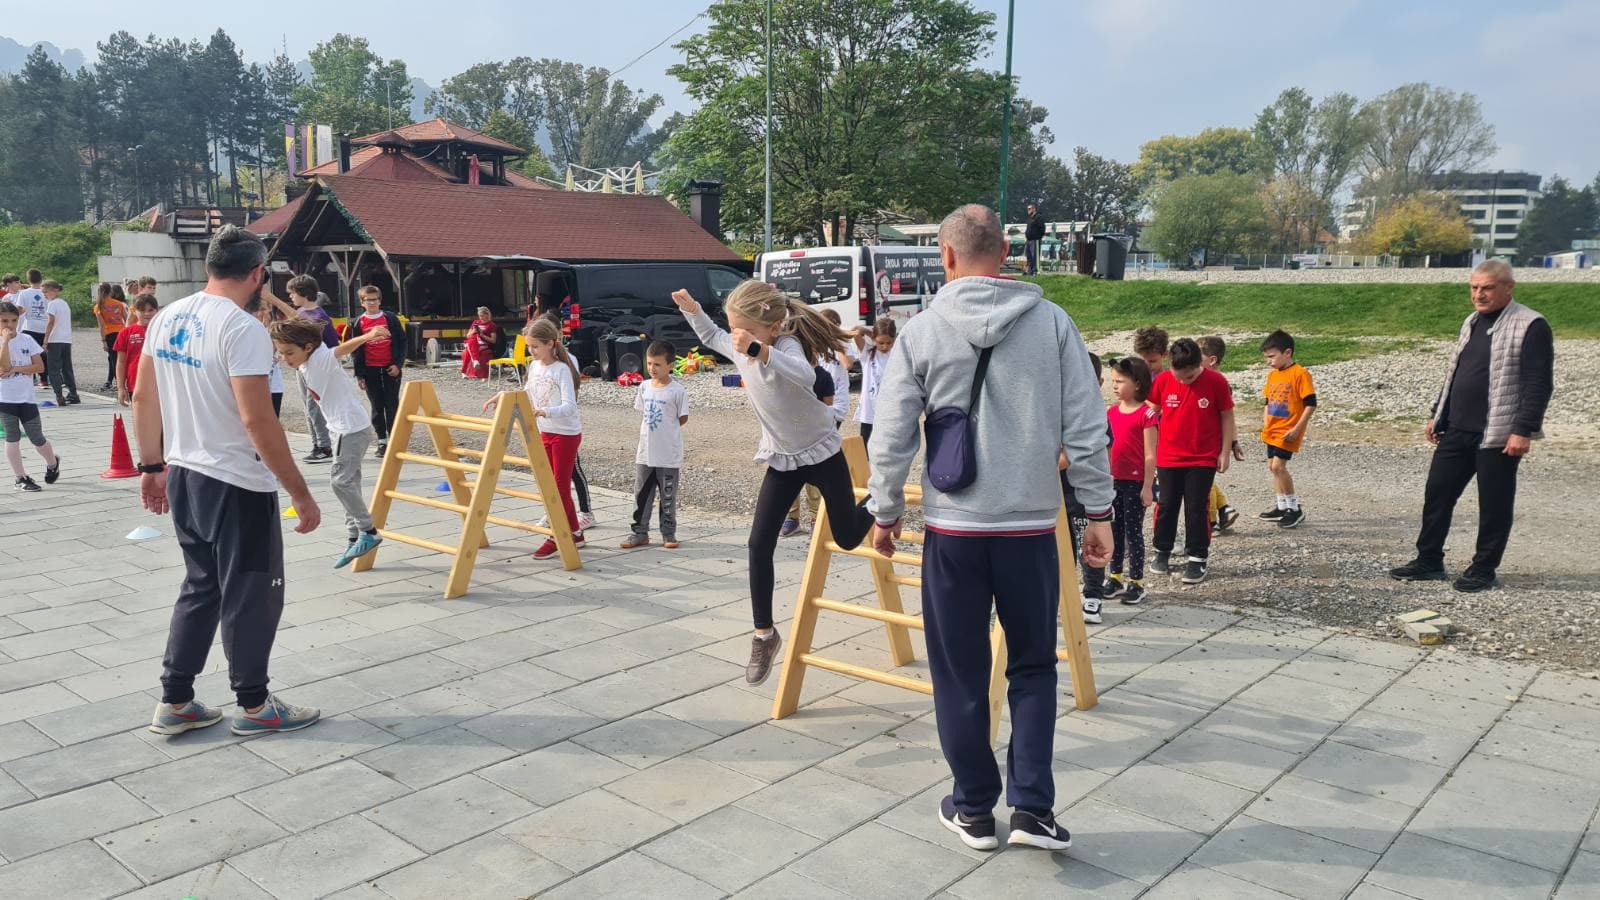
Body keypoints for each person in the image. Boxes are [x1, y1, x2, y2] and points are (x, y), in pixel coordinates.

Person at [868, 204, 1112, 854]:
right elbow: (1087, 427)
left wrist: (885, 512)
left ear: (945, 257)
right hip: (1030, 527)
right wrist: (1099, 513)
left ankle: (974, 808)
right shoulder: (1053, 323)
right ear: (1005, 253)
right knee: (1033, 665)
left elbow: (891, 433)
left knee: (959, 670)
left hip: (954, 531)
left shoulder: (922, 331)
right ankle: (1033, 809)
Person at [133, 225, 323, 738]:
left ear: (208, 267)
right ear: (258, 274)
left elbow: (144, 396)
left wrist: (151, 466)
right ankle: (255, 705)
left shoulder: (168, 315)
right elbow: (257, 420)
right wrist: (300, 491)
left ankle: (176, 699)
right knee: (252, 593)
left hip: (184, 473)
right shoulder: (241, 329)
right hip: (235, 481)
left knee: (201, 586)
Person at [672, 280, 874, 687]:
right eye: (735, 328)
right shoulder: (741, 344)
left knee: (848, 536)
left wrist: (759, 350)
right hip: (783, 459)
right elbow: (712, 336)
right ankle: (764, 635)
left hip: (822, 452)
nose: (737, 336)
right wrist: (692, 310)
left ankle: (881, 498)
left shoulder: (786, 346)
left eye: (746, 330)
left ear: (774, 328)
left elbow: (804, 374)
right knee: (758, 544)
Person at [1389, 260, 1553, 593]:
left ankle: (1484, 568)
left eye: (1487, 288)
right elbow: (1456, 372)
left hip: (1498, 433)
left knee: (1494, 504)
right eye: (1474, 287)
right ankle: (1429, 560)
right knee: (1438, 494)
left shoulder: (1531, 325)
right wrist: (1439, 414)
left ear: (1508, 287)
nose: (1479, 294)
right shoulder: (1472, 321)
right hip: (1458, 429)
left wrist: (1523, 429)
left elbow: (1538, 383)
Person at [271, 317, 390, 567]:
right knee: (350, 483)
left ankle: (368, 531)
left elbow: (341, 349)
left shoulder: (320, 358)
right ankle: (354, 536)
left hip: (350, 429)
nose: (285, 358)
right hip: (340, 430)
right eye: (281, 353)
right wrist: (271, 301)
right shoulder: (307, 359)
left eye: (289, 353)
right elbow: (299, 323)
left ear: (308, 347)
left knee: (340, 482)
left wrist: (369, 336)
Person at [484, 317, 585, 560]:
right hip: (545, 431)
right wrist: (503, 394)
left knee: (558, 488)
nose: (532, 350)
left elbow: (570, 406)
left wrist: (544, 411)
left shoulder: (561, 369)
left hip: (565, 434)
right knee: (552, 484)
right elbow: (527, 392)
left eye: (536, 346)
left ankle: (557, 535)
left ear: (551, 343)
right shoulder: (535, 366)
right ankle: (575, 532)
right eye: (529, 346)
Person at [1149, 338, 1235, 585]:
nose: (1184, 382)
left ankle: (1197, 557)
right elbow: (1152, 410)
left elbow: (1227, 416)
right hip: (1168, 456)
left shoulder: (1216, 382)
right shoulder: (1163, 380)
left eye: (1189, 377)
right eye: (1179, 377)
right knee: (1166, 504)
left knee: (1196, 506)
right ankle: (1162, 550)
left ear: (1199, 364)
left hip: (1202, 456)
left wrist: (1225, 451)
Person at [782, 308, 851, 536]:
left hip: (818, 430)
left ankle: (815, 516)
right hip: (792, 432)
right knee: (790, 474)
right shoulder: (793, 370)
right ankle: (792, 517)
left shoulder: (824, 375)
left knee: (813, 475)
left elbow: (826, 407)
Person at [1059, 353, 1111, 624]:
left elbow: (1096, 455)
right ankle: (1062, 596)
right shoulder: (1055, 409)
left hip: (1083, 495)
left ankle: (1093, 595)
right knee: (1061, 549)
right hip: (1055, 495)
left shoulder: (1095, 415)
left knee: (1089, 547)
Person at [622, 341, 690, 550]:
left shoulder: (677, 391)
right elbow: (643, 412)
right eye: (649, 363)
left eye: (658, 364)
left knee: (667, 496)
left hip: (668, 455)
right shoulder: (644, 387)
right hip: (645, 454)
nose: (652, 368)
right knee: (642, 494)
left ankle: (668, 533)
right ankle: (639, 532)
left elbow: (682, 418)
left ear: (670, 365)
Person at [1101, 356, 1158, 607]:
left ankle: (1136, 582)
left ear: (1137, 383)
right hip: (1113, 482)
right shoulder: (1110, 412)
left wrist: (1147, 486)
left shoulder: (1147, 414)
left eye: (1120, 381)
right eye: (1113, 381)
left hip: (1136, 483)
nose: (1114, 386)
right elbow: (1106, 448)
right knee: (1114, 530)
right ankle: (1115, 577)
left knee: (1133, 533)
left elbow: (1150, 454)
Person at [265, 275, 340, 463]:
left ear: (303, 293)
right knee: (307, 407)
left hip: (317, 368)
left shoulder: (319, 316)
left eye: (292, 293)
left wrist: (273, 299)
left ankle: (324, 446)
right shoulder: (300, 312)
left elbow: (314, 331)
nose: (290, 297)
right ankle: (317, 444)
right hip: (302, 367)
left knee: (314, 407)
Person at [1256, 330, 1316, 529]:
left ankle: (1294, 509)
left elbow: (1311, 404)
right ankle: (1282, 506)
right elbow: (1268, 402)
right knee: (1272, 467)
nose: (1269, 361)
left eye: (1272, 357)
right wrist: (1266, 422)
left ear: (1287, 353)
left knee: (1278, 467)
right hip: (1272, 430)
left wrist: (1298, 428)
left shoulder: (1300, 374)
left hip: (1288, 430)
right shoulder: (1273, 375)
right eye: (1267, 357)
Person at [0, 302, 61, 492]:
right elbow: (3, 367)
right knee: (12, 437)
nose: (10, 325)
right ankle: (20, 477)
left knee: (37, 437)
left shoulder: (26, 339)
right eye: (4, 321)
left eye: (14, 320)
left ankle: (52, 463)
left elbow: (39, 367)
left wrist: (16, 369)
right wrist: (5, 342)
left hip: (26, 398)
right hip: (4, 400)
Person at [349, 286, 407, 458]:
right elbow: (356, 349)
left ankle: (395, 440)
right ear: (362, 302)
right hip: (370, 370)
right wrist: (359, 374)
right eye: (368, 300)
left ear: (380, 300)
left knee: (392, 404)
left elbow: (402, 342)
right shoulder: (358, 322)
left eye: (375, 299)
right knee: (376, 406)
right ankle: (382, 441)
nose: (372, 303)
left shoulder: (390, 318)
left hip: (390, 368)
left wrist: (398, 364)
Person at [1197, 335, 1244, 531]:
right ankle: (1224, 508)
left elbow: (1228, 416)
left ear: (1212, 360)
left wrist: (1232, 443)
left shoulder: (1218, 384)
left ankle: (1211, 520)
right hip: (1203, 438)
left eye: (1198, 357)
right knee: (1204, 479)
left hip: (1211, 440)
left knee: (1201, 481)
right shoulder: (1200, 381)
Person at [849, 318, 897, 451]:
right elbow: (855, 331)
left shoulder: (896, 354)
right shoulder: (867, 353)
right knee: (865, 443)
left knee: (886, 443)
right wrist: (871, 334)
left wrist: (877, 337)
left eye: (889, 343)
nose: (885, 346)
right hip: (869, 407)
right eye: (881, 342)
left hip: (889, 406)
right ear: (875, 339)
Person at [40, 280, 80, 405]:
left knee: (54, 370)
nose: (44, 295)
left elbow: (50, 322)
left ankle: (59, 396)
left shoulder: (52, 304)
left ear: (54, 290)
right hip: (66, 340)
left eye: (46, 292)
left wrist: (45, 340)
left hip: (55, 339)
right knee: (67, 368)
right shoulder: (64, 303)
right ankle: (73, 394)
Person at [116, 297, 159, 407]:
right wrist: (121, 387)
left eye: (150, 310)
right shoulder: (125, 333)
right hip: (135, 384)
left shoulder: (164, 331)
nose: (147, 314)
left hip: (161, 384)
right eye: (142, 310)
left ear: (157, 311)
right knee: (141, 417)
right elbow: (121, 362)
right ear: (134, 311)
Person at [93, 282, 129, 391]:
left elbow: (102, 326)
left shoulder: (98, 306)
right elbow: (126, 319)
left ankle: (119, 384)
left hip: (110, 334)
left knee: (114, 360)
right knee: (123, 358)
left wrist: (103, 341)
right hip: (122, 332)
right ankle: (125, 382)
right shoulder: (119, 304)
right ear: (110, 291)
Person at [16, 270, 49, 386]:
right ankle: (45, 380)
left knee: (29, 354)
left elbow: (19, 310)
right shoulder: (46, 292)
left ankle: (31, 377)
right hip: (44, 327)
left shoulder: (24, 293)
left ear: (28, 280)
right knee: (43, 354)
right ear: (41, 279)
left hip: (29, 327)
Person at [461, 306, 501, 379]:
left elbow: (493, 340)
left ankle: (464, 372)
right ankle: (475, 361)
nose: (480, 318)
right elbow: (468, 336)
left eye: (482, 316)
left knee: (468, 350)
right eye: (479, 316)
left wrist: (482, 335)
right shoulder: (475, 322)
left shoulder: (492, 325)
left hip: (483, 344)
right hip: (473, 342)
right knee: (472, 339)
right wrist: (473, 331)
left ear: (487, 314)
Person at [1024, 202, 1045, 276]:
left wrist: (1038, 237)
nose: (1028, 210)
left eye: (1029, 209)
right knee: (1029, 256)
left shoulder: (1038, 217)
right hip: (1028, 240)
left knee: (1034, 256)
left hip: (1035, 240)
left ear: (1034, 209)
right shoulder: (1029, 219)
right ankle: (1030, 271)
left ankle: (1035, 271)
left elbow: (1042, 229)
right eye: (1028, 209)